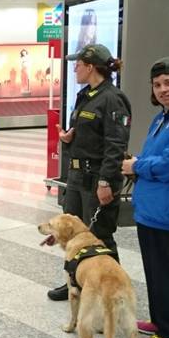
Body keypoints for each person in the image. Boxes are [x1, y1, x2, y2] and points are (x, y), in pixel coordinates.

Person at [121, 57, 169, 338]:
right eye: (157, 84)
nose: (163, 89)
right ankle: (159, 320)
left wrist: (138, 166)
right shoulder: (163, 117)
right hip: (152, 209)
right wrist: (140, 164)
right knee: (154, 271)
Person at [48, 44, 131, 301]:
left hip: (97, 179)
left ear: (91, 66)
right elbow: (87, 134)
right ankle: (75, 282)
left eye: (78, 64)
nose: (74, 68)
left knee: (100, 235)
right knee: (74, 233)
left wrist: (106, 180)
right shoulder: (85, 95)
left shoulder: (113, 98)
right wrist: (68, 138)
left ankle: (111, 290)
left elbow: (116, 144)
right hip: (76, 178)